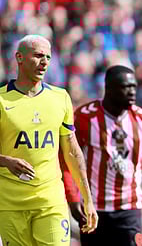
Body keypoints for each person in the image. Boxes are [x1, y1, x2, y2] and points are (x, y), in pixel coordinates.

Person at [0, 34, 98, 246]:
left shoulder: (60, 97)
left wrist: (88, 199)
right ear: (19, 58)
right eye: (37, 56)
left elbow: (72, 151)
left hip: (50, 201)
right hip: (10, 204)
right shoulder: (1, 99)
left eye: (48, 57)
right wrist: (6, 161)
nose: (44, 62)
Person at [62, 65, 142, 246]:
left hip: (129, 209)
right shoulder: (85, 117)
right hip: (93, 209)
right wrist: (73, 198)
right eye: (125, 87)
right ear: (108, 88)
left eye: (134, 86)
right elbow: (67, 159)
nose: (132, 92)